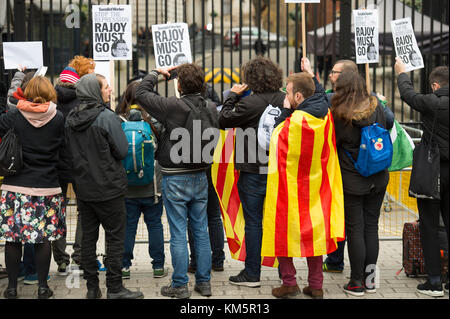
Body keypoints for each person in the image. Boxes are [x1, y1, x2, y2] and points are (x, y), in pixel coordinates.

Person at [135, 63, 219, 299]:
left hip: (175, 176)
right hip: (201, 174)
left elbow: (140, 93)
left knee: (179, 231)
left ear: (179, 85)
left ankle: (180, 285)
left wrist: (155, 74)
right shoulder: (211, 107)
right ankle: (204, 283)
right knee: (201, 230)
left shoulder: (174, 106)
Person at [65, 73, 144, 300]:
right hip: (110, 189)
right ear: (95, 91)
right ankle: (115, 288)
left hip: (84, 190)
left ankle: (92, 288)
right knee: (115, 238)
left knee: (88, 239)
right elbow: (121, 150)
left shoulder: (71, 118)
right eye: (106, 87)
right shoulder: (107, 118)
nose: (110, 90)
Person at [269, 58, 342, 299]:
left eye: (288, 92)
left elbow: (276, 140)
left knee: (283, 235)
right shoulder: (325, 114)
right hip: (318, 187)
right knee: (314, 237)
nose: (285, 95)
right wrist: (311, 74)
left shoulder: (296, 121)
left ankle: (289, 282)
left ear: (298, 97)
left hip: (292, 189)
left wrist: (284, 111)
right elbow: (319, 96)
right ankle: (316, 285)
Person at [218, 56, 285, 287]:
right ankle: (285, 274)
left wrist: (233, 96)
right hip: (279, 169)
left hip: (253, 170)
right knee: (280, 221)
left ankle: (252, 273)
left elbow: (223, 120)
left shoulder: (250, 103)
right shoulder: (286, 99)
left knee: (254, 222)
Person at [0, 76, 66, 299]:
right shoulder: (58, 118)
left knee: (13, 239)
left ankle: (11, 288)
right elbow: (64, 150)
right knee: (43, 239)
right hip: (47, 187)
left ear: (25, 92)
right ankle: (42, 287)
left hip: (15, 186)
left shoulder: (14, 117)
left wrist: (13, 98)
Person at [331, 71, 393, 296]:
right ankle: (371, 279)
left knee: (355, 228)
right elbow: (389, 124)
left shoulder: (338, 112)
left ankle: (356, 282)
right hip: (378, 175)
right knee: (371, 227)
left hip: (352, 178)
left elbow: (333, 143)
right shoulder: (377, 106)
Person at [395, 59, 449, 297]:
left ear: (435, 86)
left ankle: (435, 281)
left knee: (428, 224)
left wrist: (402, 73)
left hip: (433, 172)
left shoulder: (432, 102)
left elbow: (408, 95)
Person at [116, 81, 167, 280]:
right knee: (155, 224)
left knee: (128, 226)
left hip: (126, 185)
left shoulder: (118, 119)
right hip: (152, 184)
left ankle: (124, 266)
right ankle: (158, 266)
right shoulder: (155, 120)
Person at [51, 57, 95, 275]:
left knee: (57, 210)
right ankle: (80, 255)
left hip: (57, 164)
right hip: (80, 163)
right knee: (84, 210)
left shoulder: (51, 99)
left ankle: (60, 259)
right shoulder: (84, 101)